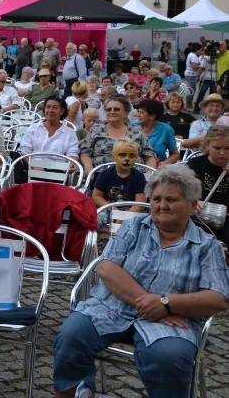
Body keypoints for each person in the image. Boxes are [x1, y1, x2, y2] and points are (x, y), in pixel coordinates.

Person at [52, 164, 229, 398]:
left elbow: (218, 298)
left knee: (169, 356)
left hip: (171, 324)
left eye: (171, 200)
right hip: (111, 308)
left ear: (192, 204)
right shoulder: (133, 226)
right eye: (156, 199)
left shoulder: (206, 246)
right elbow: (107, 267)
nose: (161, 205)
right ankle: (75, 393)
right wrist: (152, 304)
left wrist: (166, 304)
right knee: (71, 335)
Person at [80, 96, 157, 173]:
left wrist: (149, 171)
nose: (112, 112)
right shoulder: (96, 129)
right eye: (108, 109)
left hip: (134, 174)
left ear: (126, 113)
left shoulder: (137, 130)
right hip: (101, 174)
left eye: (116, 109)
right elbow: (85, 153)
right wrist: (88, 165)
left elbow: (149, 155)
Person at [187, 126, 229, 245]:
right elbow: (181, 189)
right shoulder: (196, 164)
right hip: (198, 215)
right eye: (217, 148)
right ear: (207, 146)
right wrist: (191, 201)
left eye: (227, 148)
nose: (222, 152)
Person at [90, 138, 148, 208]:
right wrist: (108, 207)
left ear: (136, 158)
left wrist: (126, 216)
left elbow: (140, 203)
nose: (127, 159)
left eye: (132, 156)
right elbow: (96, 196)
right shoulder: (105, 174)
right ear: (113, 156)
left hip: (131, 213)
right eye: (122, 155)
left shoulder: (139, 176)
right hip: (108, 209)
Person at [134, 99, 179, 166]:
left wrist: (164, 163)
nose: (138, 115)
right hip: (134, 165)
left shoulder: (166, 129)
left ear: (152, 116)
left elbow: (175, 154)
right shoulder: (133, 126)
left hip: (156, 168)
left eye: (142, 112)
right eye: (138, 112)